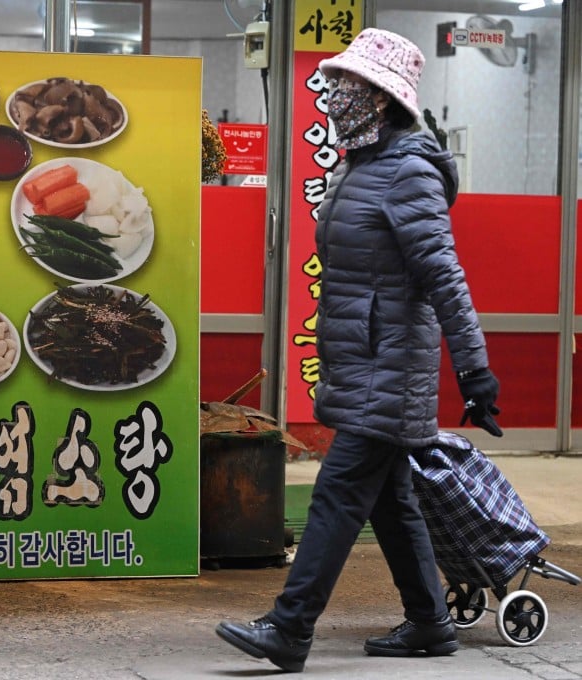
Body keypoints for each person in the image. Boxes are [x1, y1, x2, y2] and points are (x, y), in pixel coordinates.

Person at [215, 28, 503, 673]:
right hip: (364, 356)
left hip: (390, 364)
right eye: (335, 80)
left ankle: (289, 629)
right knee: (389, 496)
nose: (333, 92)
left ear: (380, 98)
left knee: (339, 491)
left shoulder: (407, 172)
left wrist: (474, 369)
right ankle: (430, 622)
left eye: (347, 83)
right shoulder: (361, 162)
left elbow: (443, 275)